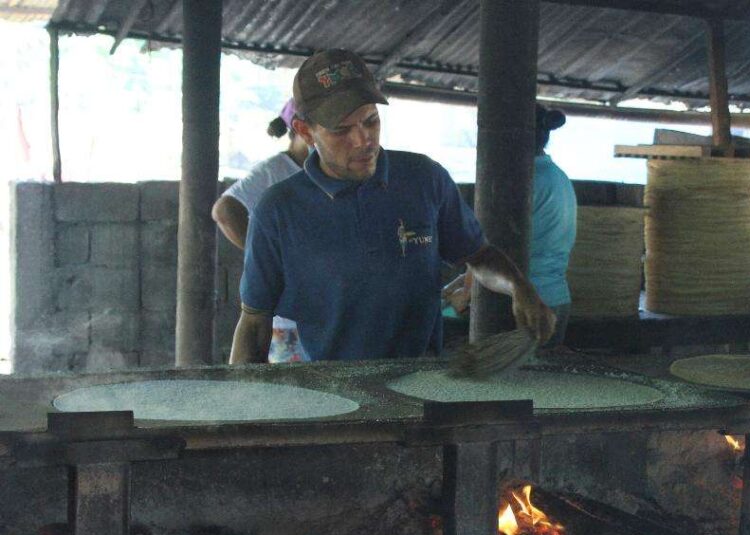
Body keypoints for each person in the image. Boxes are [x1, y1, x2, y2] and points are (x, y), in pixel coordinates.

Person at [230, 49, 554, 364]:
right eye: (341, 130)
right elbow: (255, 322)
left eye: (370, 121)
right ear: (305, 132)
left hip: (420, 376)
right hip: (330, 380)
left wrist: (518, 286)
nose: (363, 140)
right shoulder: (278, 210)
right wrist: (237, 395)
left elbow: (479, 256)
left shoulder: (424, 179)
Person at [443, 104, 577, 347]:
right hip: (557, 298)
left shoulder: (519, 183)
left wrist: (465, 294)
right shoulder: (558, 177)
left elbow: (487, 250)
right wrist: (458, 282)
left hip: (523, 305)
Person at [213, 100, 309, 363]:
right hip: (288, 322)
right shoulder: (275, 170)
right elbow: (225, 210)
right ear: (301, 130)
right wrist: (266, 261)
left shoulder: (328, 173)